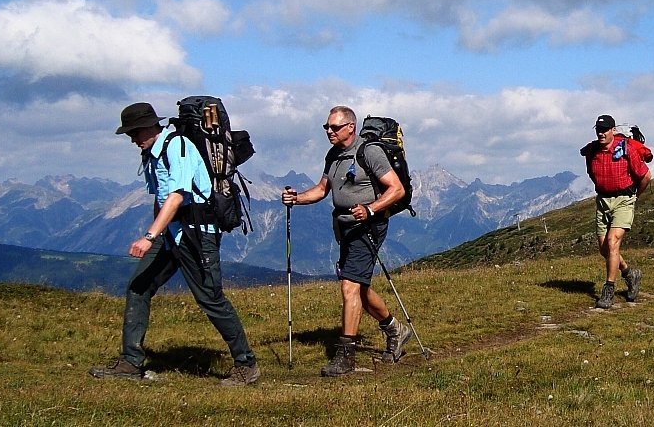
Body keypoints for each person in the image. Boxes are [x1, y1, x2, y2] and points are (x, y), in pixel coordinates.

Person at [90, 102, 260, 386]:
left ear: (148, 127)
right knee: (139, 286)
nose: (133, 140)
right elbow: (160, 199)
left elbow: (177, 196)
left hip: (196, 234)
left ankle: (246, 364)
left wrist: (149, 237)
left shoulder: (176, 146)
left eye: (134, 133)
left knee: (211, 299)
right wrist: (158, 233)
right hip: (172, 233)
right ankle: (131, 362)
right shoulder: (152, 155)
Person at [281, 106, 413, 377]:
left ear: (351, 127)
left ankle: (346, 357)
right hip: (345, 227)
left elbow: (397, 189)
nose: (329, 131)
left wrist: (371, 209)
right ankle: (395, 330)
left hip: (368, 227)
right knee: (359, 290)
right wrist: (296, 198)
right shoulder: (334, 155)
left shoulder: (369, 152)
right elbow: (321, 190)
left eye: (335, 127)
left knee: (349, 287)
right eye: (326, 127)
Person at [580, 115, 651, 309]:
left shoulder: (625, 149)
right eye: (598, 130)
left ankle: (608, 290)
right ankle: (630, 273)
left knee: (613, 242)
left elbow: (645, 176)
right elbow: (592, 174)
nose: (601, 133)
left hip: (624, 200)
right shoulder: (592, 152)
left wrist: (634, 197)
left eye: (605, 129)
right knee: (605, 249)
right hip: (603, 200)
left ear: (613, 130)